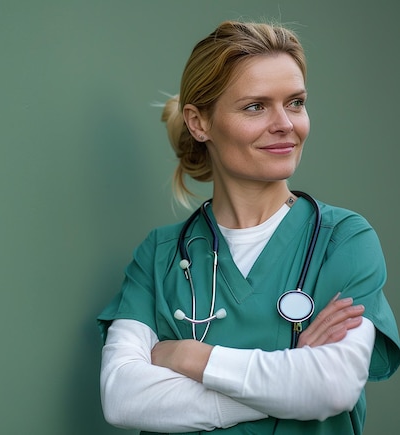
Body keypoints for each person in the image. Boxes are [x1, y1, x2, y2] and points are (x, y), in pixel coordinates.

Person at [97, 20, 400, 434]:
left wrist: (189, 358)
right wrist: (289, 380)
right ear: (199, 123)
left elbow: (333, 386)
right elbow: (122, 397)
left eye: (295, 102)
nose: (285, 124)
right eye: (256, 106)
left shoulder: (344, 239)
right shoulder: (161, 255)